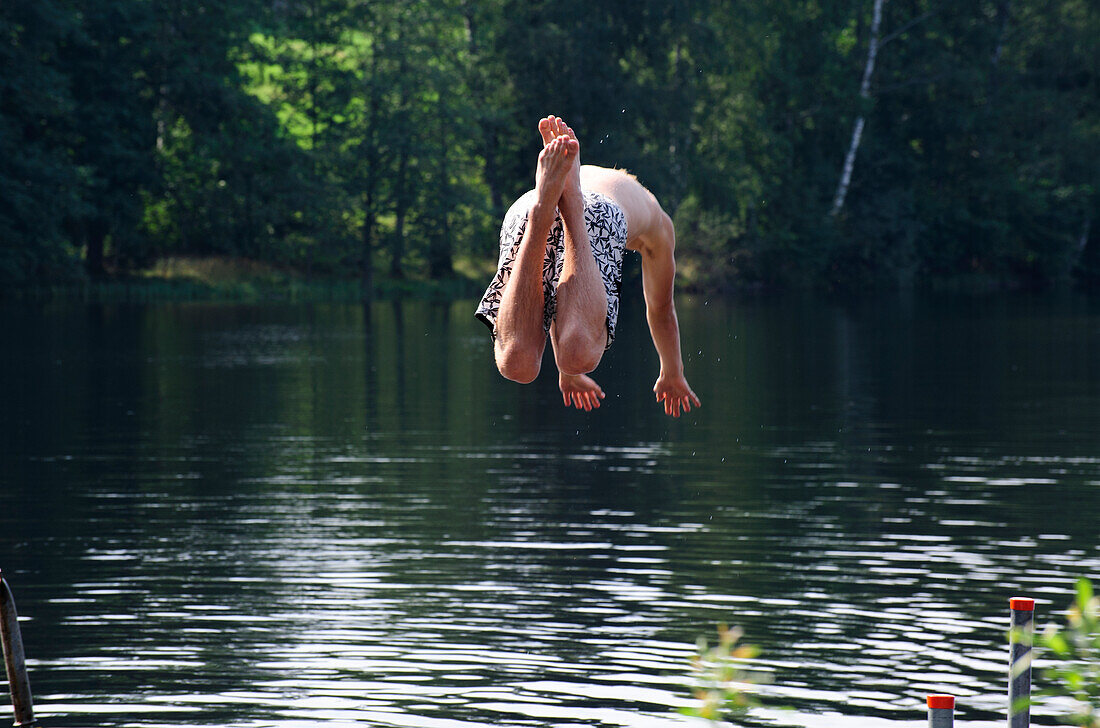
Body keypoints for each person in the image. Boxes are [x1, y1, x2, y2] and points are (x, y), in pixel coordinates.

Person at [475, 116, 701, 418]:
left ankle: (547, 208)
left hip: (524, 207)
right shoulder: (656, 220)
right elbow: (660, 310)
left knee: (517, 365)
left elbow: (557, 290)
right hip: (596, 212)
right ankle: (573, 206)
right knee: (578, 355)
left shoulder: (608, 184)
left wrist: (566, 374)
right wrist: (672, 371)